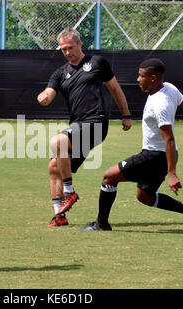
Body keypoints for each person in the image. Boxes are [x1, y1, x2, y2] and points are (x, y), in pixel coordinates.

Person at [82, 58, 183, 231]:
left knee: (109, 177)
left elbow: (169, 139)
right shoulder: (169, 88)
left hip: (154, 155)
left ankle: (101, 223)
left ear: (153, 78)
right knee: (145, 197)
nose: (138, 79)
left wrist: (172, 173)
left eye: (141, 76)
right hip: (159, 156)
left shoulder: (161, 103)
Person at [37, 29, 132, 227]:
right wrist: (43, 97)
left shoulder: (97, 62)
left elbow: (115, 88)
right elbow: (49, 92)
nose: (67, 52)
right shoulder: (60, 73)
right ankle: (59, 216)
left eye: (70, 47)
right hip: (77, 125)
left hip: (96, 122)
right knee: (54, 166)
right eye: (63, 49)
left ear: (80, 44)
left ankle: (69, 192)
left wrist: (126, 115)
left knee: (57, 142)